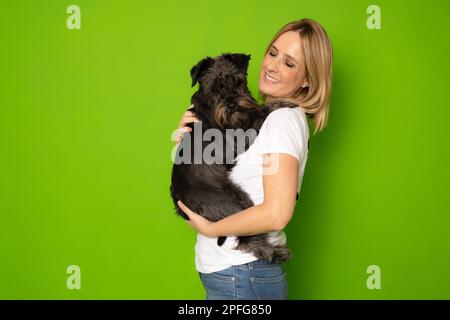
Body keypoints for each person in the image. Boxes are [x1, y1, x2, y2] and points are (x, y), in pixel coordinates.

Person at [173, 18, 333, 300]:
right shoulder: (262, 118)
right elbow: (212, 172)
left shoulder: (280, 120)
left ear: (308, 79)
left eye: (290, 63)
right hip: (231, 273)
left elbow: (277, 212)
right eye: (272, 53)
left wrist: (211, 228)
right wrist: (187, 139)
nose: (272, 66)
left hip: (243, 275)